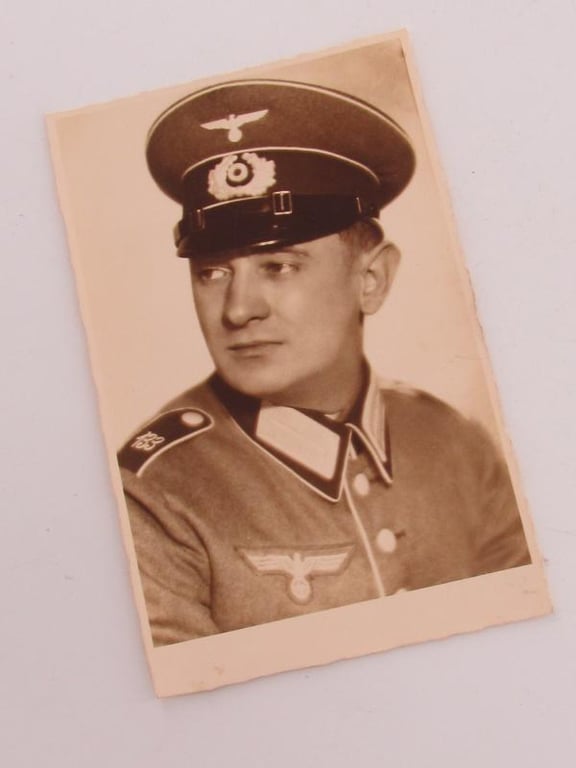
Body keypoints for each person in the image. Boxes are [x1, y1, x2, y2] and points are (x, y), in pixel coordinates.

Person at [117, 79, 531, 646]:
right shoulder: (153, 492)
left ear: (371, 280)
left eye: (279, 267)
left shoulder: (456, 442)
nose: (238, 310)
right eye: (212, 273)